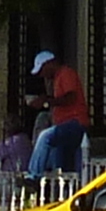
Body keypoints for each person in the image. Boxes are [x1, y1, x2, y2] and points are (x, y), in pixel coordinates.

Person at [26, 48, 88, 178]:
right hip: (65, 125)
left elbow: (70, 97)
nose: (42, 75)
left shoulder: (66, 73)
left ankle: (33, 175)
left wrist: (47, 101)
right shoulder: (58, 78)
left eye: (42, 70)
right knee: (60, 163)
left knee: (45, 137)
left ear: (49, 63)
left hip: (74, 123)